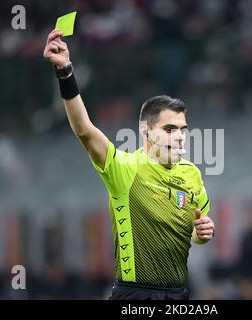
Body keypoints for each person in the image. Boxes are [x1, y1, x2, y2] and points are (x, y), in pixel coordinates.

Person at [43, 29, 215, 300]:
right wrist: (65, 72)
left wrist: (203, 232)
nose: (179, 136)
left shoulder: (191, 174)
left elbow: (195, 230)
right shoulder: (124, 168)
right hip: (135, 295)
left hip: (179, 295)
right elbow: (85, 130)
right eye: (169, 129)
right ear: (145, 132)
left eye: (182, 129)